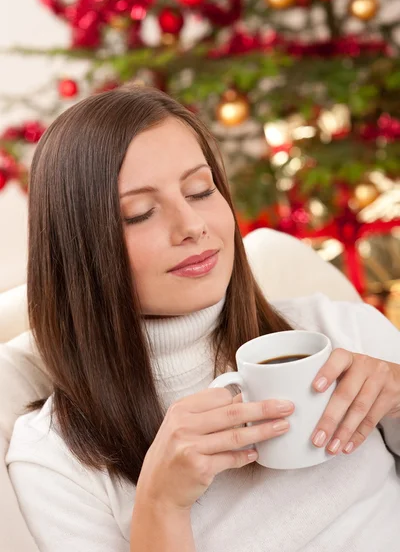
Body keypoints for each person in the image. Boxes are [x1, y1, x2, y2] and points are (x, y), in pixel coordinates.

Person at [6, 84, 400, 552]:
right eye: (140, 213)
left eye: (200, 189)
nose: (192, 226)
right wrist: (160, 505)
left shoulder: (339, 330)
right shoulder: (54, 458)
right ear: (80, 251)